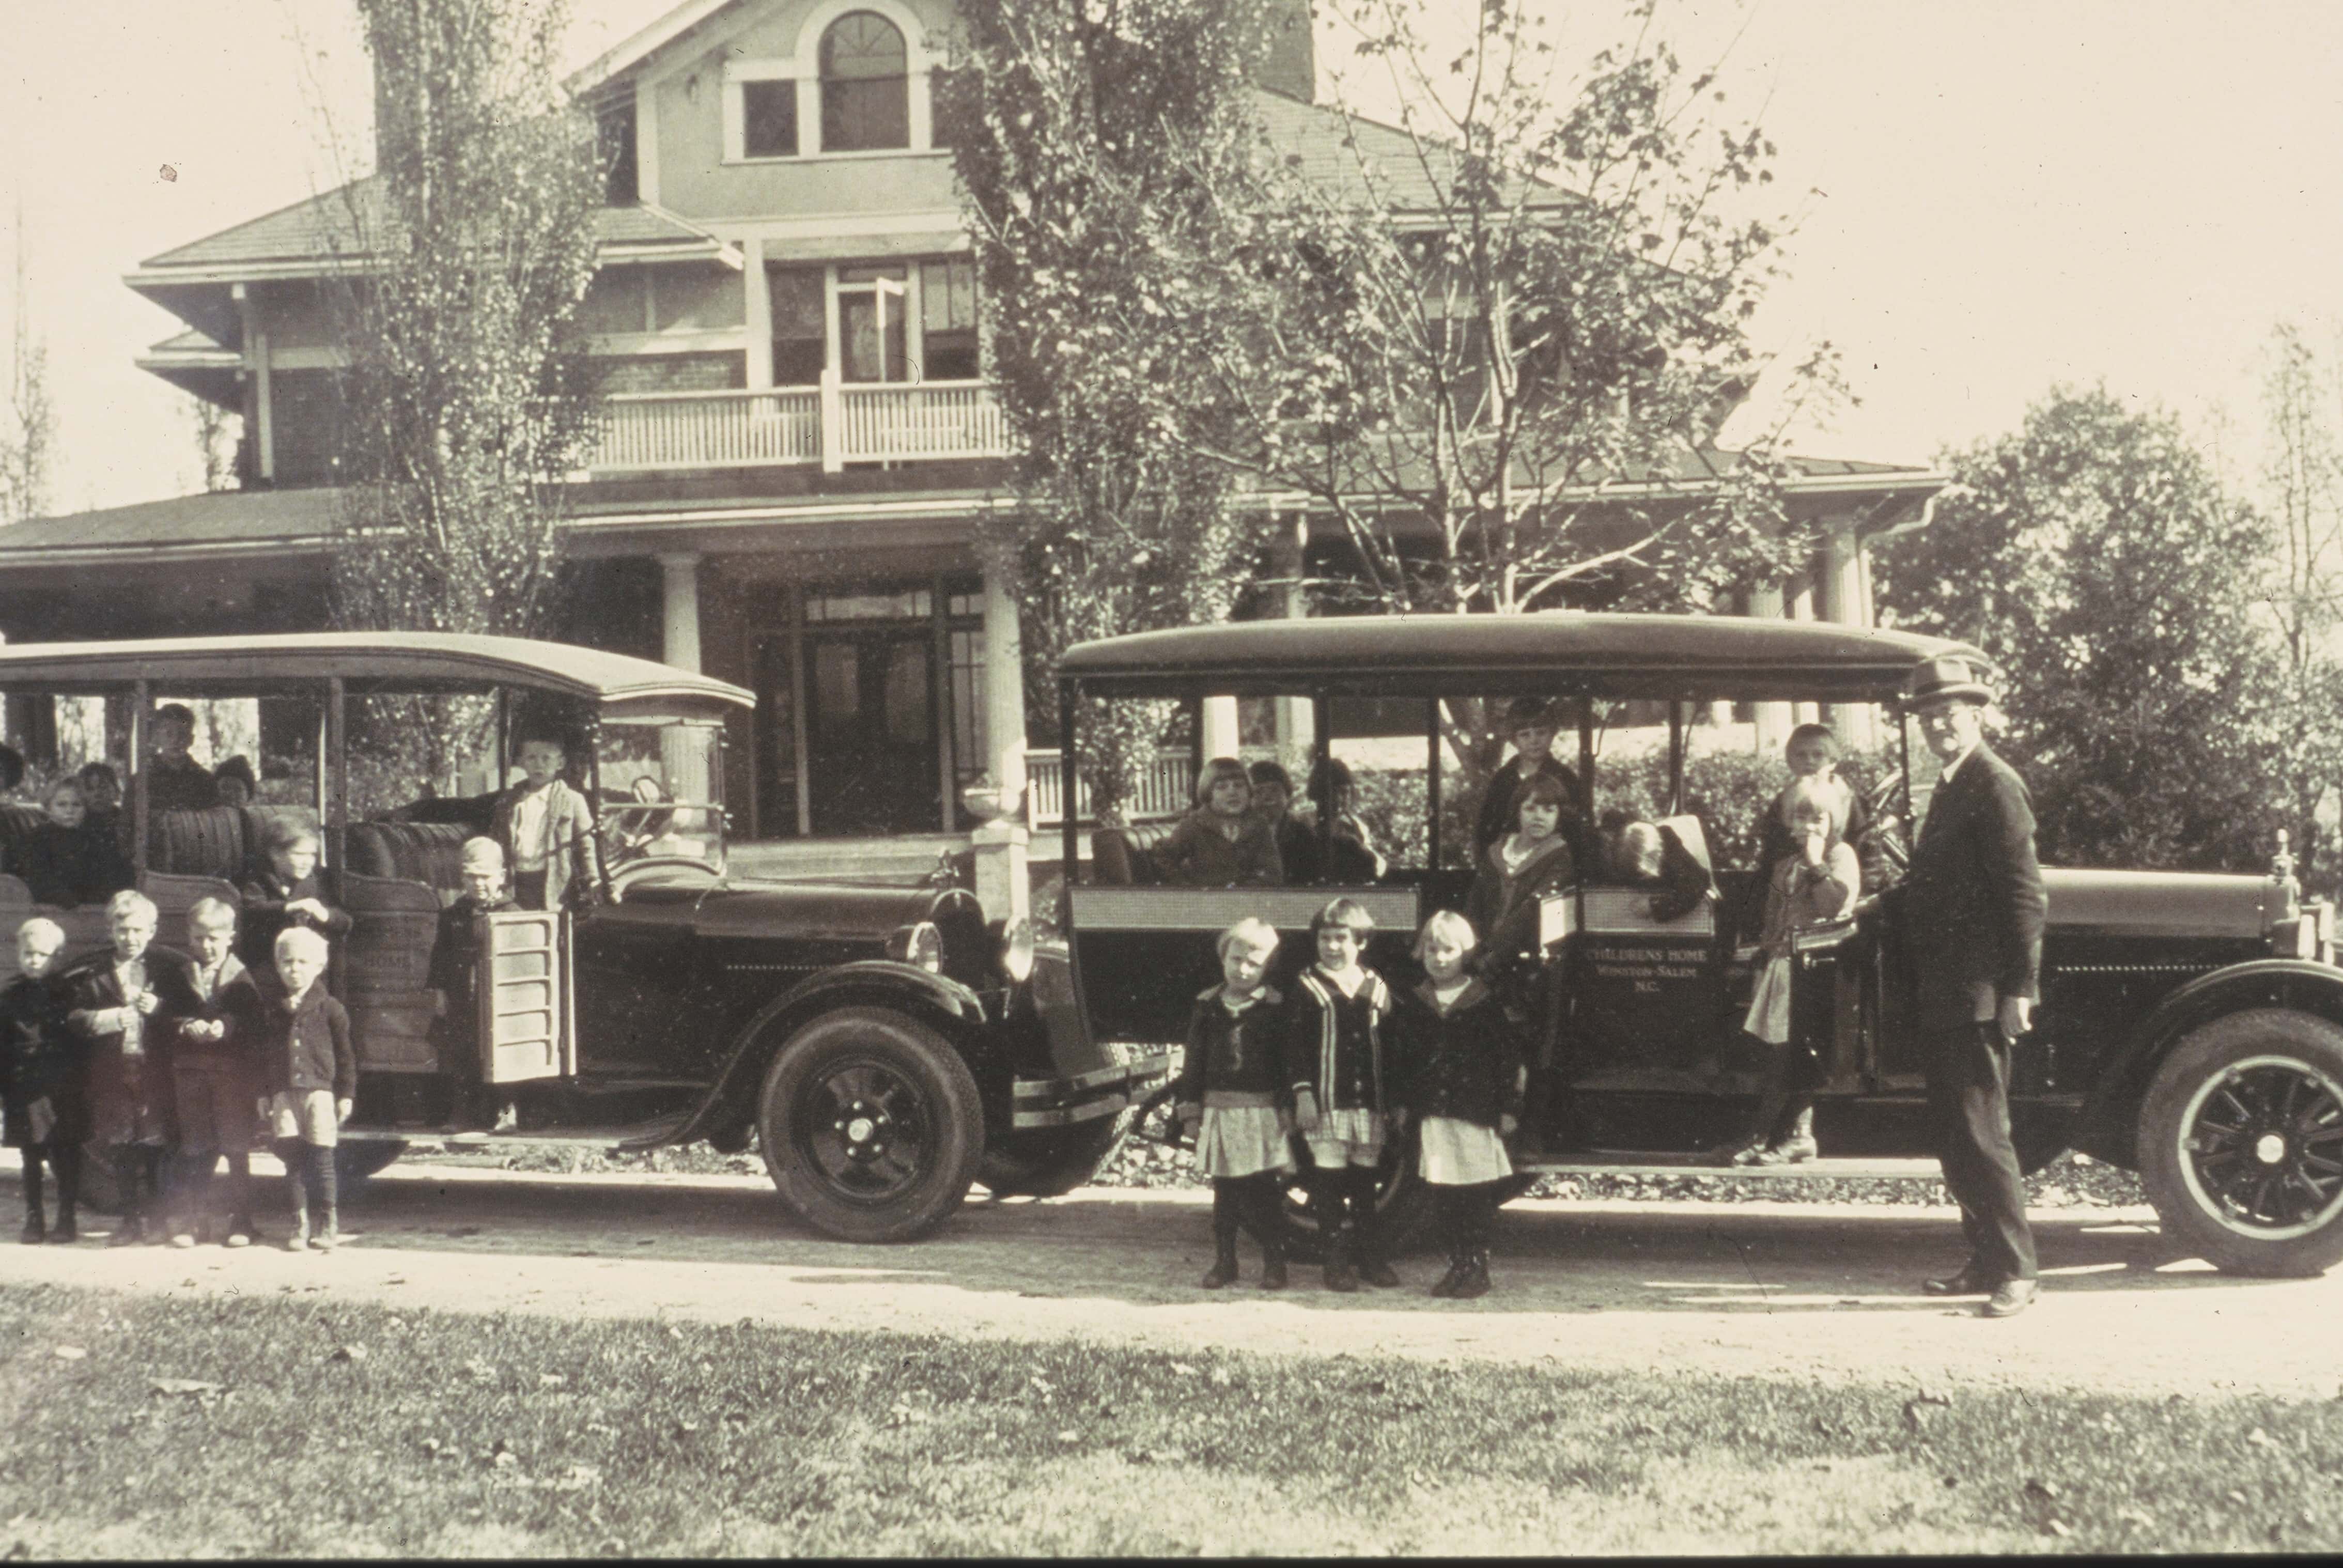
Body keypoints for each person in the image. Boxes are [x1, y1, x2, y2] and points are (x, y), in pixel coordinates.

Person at [1890, 656, 2046, 1321]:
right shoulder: (1953, 784)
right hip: (1944, 988)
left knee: (1984, 1132)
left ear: (1976, 714)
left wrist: (2019, 987)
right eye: (1927, 717)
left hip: (1979, 990)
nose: (1936, 726)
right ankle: (1982, 1260)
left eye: (1948, 714)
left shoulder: (1994, 782)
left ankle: (2017, 1271)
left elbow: (2023, 894)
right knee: (1957, 1132)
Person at [1725, 779, 1860, 1167]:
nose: (1809, 826)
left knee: (1791, 1055)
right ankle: (1798, 1136)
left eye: (1818, 818)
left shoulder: (1840, 857)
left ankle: (1762, 1136)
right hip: (1783, 967)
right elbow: (1773, 920)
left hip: (1817, 970)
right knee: (1779, 1053)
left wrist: (1817, 863)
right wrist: (1764, 956)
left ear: (1833, 821)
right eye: (1802, 817)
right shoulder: (1785, 864)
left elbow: (1834, 906)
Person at [1391, 910, 1524, 1299]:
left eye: (1448, 949)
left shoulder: (1483, 1002)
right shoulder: (1417, 1003)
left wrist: (1508, 1108)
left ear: (1464, 952)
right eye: (1431, 949)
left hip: (1475, 1112)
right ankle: (1456, 1264)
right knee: (1444, 1192)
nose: (1439, 957)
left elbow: (1507, 1059)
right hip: (1435, 1113)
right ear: (1421, 952)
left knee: (1476, 1193)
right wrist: (1402, 1103)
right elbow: (1406, 1059)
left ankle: (1477, 1265)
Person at [1174, 917, 1294, 1292]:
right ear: (1222, 958)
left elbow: (1287, 1063)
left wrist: (1287, 1105)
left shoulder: (1274, 1007)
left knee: (1265, 1192)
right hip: (1220, 1111)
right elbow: (1193, 1062)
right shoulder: (1207, 1005)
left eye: (1253, 963)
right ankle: (1225, 1261)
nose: (1243, 969)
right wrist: (1190, 1110)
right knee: (1224, 1193)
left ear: (1267, 967)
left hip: (1260, 1111)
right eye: (1235, 959)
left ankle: (1275, 1263)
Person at [1284, 896, 1397, 1292]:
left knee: (1366, 1184)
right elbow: (1294, 1046)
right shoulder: (1306, 985)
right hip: (1326, 1102)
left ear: (1361, 942)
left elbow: (1390, 1047)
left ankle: (1369, 1257)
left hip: (1368, 1104)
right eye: (1324, 938)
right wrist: (1302, 1095)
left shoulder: (1376, 986)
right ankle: (1334, 1262)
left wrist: (1392, 1102)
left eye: (1341, 938)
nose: (1332, 946)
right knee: (1329, 1183)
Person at [63, 889, 187, 1247]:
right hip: (114, 1071)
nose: (130, 938)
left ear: (152, 931)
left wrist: (159, 1007)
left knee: (155, 1145)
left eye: (138, 930)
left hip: (152, 1070)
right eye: (123, 931)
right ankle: (130, 1220)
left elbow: (182, 1013)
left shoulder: (165, 970)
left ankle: (159, 1219)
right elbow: (75, 1018)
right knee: (121, 1146)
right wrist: (112, 1017)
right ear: (111, 931)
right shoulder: (95, 973)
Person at [159, 898, 262, 1247]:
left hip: (230, 1075)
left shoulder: (240, 978)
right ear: (190, 936)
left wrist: (226, 1025)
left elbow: (253, 1021)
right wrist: (187, 1025)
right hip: (191, 1074)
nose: (207, 945)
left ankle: (242, 1221)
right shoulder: (180, 975)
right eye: (200, 937)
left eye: (214, 938)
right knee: (196, 1148)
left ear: (230, 936)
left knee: (235, 1146)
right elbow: (166, 1016)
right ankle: (195, 1219)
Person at [252, 926, 354, 1252]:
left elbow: (346, 1055)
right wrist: (264, 1093)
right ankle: (299, 1222)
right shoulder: (273, 1009)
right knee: (292, 1160)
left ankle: (327, 1220)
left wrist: (346, 1095)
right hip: (284, 1095)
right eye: (287, 962)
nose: (294, 969)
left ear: (319, 966)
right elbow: (265, 1055)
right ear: (278, 966)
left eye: (302, 962)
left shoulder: (330, 1008)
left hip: (319, 1094)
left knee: (322, 1158)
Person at [1, 918, 86, 1244]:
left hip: (61, 1089)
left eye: (42, 954)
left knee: (66, 1153)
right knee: (30, 1155)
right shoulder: (9, 996)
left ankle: (67, 1217)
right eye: (28, 953)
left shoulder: (70, 994)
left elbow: (81, 1041)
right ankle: (34, 1216)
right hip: (25, 1089)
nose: (34, 960)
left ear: (58, 956)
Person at [428, 837, 518, 1135]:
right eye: (471, 876)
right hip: (463, 998)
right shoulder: (452, 916)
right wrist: (440, 994)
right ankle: (463, 1114)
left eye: (485, 876)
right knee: (462, 1056)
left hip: (500, 1001)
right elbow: (439, 957)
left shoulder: (514, 914)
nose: (478, 884)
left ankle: (507, 1112)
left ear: (501, 876)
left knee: (503, 1054)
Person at [1463, 772, 1578, 967]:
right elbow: (1475, 905)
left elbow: (1531, 911)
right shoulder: (1496, 852)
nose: (1539, 817)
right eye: (1530, 809)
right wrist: (1470, 951)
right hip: (1481, 957)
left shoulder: (1560, 856)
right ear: (1518, 811)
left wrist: (1493, 959)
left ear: (1559, 815)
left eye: (1549, 810)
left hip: (1528, 961)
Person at [490, 735, 602, 912]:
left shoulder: (572, 800)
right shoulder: (510, 801)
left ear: (560, 763)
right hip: (516, 881)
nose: (539, 764)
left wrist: (593, 877)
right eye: (531, 758)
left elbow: (586, 842)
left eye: (546, 758)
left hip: (553, 882)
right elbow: (496, 841)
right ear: (521, 762)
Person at [1473, 697, 1585, 864]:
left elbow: (1577, 834)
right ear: (1514, 740)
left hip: (1554, 865)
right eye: (1525, 735)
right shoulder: (1502, 780)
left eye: (1541, 732)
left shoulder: (1565, 779)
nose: (1534, 741)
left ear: (1552, 734)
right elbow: (1487, 833)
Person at [237, 823, 351, 971]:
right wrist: (289, 908)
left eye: (312, 855)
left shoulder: (314, 882)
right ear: (275, 854)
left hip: (307, 967)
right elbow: (251, 910)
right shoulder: (258, 880)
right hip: (267, 964)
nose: (308, 862)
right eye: (299, 854)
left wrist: (326, 915)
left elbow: (345, 921)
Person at [7, 778, 135, 908]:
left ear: (85, 809)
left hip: (92, 908)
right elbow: (38, 877)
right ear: (48, 808)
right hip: (52, 907)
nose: (69, 810)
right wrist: (63, 897)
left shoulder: (94, 839)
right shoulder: (37, 838)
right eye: (62, 805)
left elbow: (110, 875)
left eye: (76, 805)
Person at [1155, 757, 1281, 888]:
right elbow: (1164, 857)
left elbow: (1272, 871)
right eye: (1222, 787)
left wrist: (1250, 888)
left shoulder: (1259, 825)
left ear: (1249, 790)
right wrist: (1185, 887)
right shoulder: (1195, 824)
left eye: (1239, 785)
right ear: (1209, 794)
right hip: (1207, 902)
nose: (1232, 792)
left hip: (1249, 900)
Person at [1303, 757, 1387, 883]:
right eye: (1332, 793)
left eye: (1344, 793)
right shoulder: (1302, 823)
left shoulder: (1356, 826)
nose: (1338, 799)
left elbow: (1378, 867)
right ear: (1317, 793)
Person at [1247, 762, 1318, 885]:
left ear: (1288, 796)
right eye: (1258, 792)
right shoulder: (1239, 834)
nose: (1267, 798)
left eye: (1275, 790)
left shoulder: (1303, 835)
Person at [144, 704, 222, 814]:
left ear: (191, 739)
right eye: (169, 734)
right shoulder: (143, 780)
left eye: (182, 734)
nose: (176, 740)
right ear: (157, 738)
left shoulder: (205, 781)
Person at [76, 762, 125, 851]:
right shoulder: (77, 824)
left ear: (115, 790)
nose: (97, 794)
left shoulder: (125, 820)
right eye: (90, 789)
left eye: (103, 787)